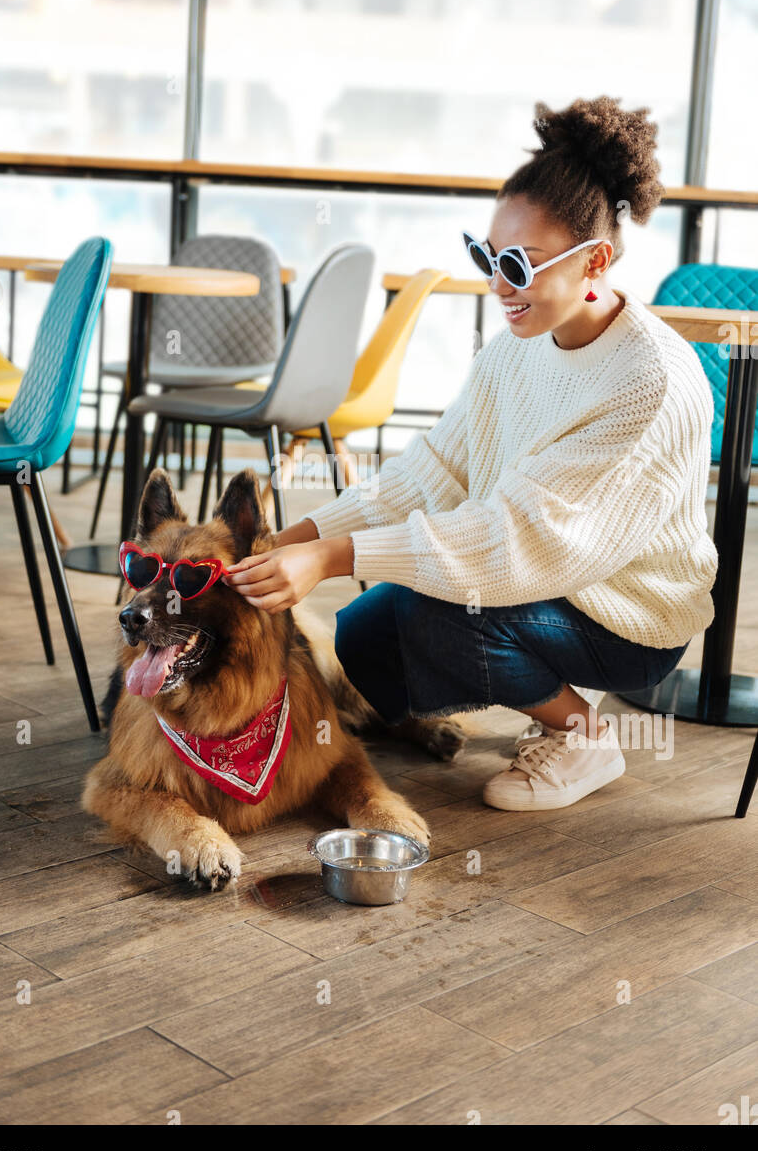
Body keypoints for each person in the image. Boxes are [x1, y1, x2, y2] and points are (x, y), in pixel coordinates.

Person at [222, 96, 719, 811]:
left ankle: (584, 735)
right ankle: (528, 684)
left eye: (519, 262)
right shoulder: (516, 350)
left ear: (596, 261)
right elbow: (432, 474)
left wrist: (332, 559)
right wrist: (287, 542)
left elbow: (516, 543)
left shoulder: (647, 383)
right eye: (487, 256)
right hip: (548, 575)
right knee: (364, 637)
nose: (498, 283)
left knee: (437, 616)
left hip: (628, 615)